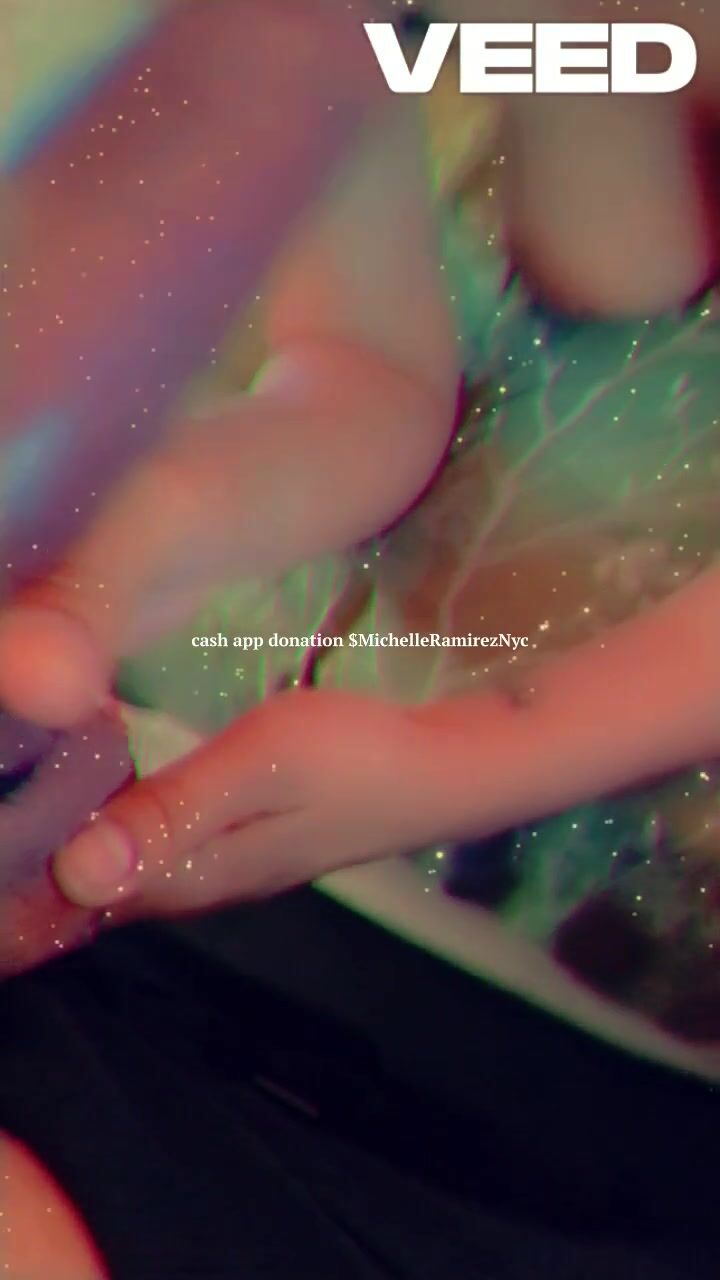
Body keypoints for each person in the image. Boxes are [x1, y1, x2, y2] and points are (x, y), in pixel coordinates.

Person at [0, 2, 719, 1277]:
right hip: (211, 884)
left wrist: (457, 759)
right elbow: (366, 371)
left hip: (590, 1078)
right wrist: (118, 559)